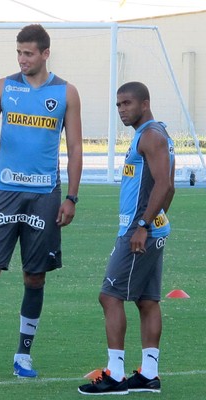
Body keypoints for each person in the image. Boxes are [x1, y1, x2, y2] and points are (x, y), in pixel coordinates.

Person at [0, 24, 82, 378]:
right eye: (19, 53)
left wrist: (71, 197)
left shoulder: (66, 92)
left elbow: (75, 148)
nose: (22, 59)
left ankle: (23, 356)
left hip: (44, 195)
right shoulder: (4, 86)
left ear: (45, 54)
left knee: (34, 276)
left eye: (28, 53)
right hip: (4, 191)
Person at [78, 81, 175, 395]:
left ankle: (116, 375)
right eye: (118, 104)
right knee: (147, 301)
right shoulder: (149, 134)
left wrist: (144, 225)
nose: (122, 110)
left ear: (145, 103)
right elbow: (164, 187)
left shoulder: (151, 136)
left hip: (137, 231)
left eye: (127, 103)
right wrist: (155, 221)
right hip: (146, 228)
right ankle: (148, 374)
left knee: (109, 296)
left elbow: (165, 184)